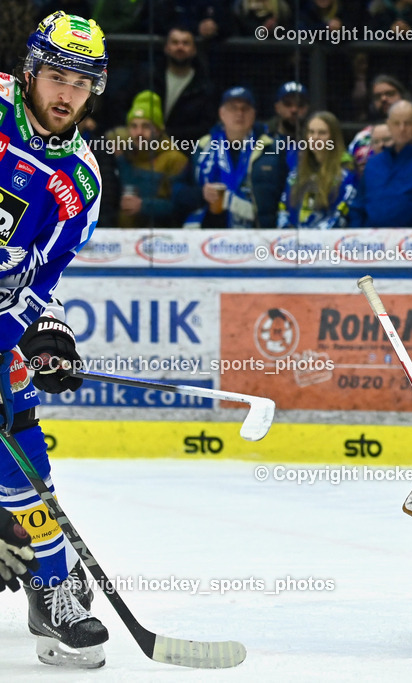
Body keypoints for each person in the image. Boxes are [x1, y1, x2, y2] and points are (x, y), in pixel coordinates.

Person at [0, 11, 110, 668]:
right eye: (58, 76)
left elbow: (41, 282)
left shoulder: (82, 183)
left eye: (82, 81)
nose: (67, 93)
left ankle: (51, 580)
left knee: (20, 449)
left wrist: (35, 334)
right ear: (31, 71)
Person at [181, 86, 287, 228]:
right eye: (233, 108)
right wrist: (201, 194)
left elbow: (286, 192)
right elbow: (178, 191)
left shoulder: (272, 148)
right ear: (221, 113)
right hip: (208, 234)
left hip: (258, 234)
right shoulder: (202, 147)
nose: (239, 113)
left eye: (245, 108)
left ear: (253, 114)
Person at [351, 100, 412, 227]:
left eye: (408, 123)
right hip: (372, 242)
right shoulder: (373, 164)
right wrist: (358, 237)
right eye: (396, 123)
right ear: (388, 125)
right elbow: (358, 207)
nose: (402, 129)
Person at [115, 91, 190, 228]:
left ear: (159, 130)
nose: (139, 133)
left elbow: (182, 207)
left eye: (146, 126)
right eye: (134, 126)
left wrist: (143, 206)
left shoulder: (174, 159)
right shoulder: (124, 157)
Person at [277, 111, 357, 229]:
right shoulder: (297, 170)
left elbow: (342, 213)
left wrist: (315, 237)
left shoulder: (346, 171)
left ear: (333, 137)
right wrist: (286, 230)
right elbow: (284, 207)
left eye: (322, 133)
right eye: (311, 132)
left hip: (328, 242)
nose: (315, 138)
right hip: (293, 242)